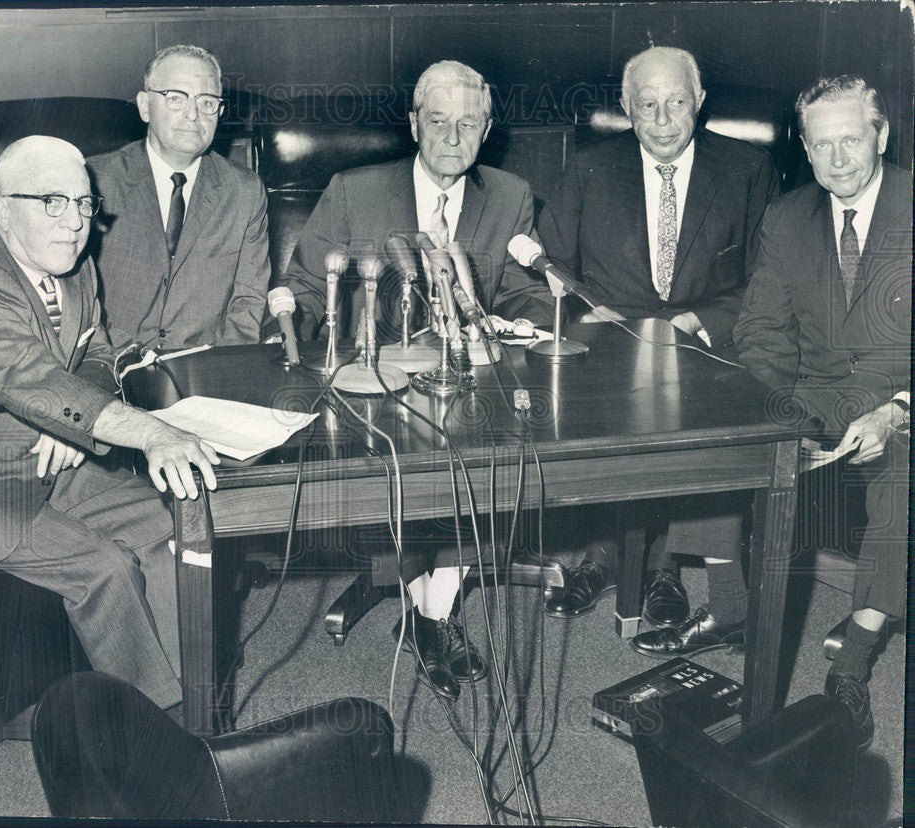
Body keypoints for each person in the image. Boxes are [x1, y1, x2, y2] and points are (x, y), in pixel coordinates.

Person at [0, 136, 221, 712]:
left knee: (165, 526)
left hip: (42, 466)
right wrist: (152, 433)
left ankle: (197, 708)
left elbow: (100, 357)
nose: (75, 222)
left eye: (83, 204)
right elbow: (36, 381)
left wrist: (66, 425)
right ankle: (150, 727)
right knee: (103, 567)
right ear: (3, 209)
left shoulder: (75, 270)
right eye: (51, 202)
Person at [280, 60, 555, 700]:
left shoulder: (510, 195)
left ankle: (434, 605)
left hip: (466, 382)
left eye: (468, 124)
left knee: (492, 449)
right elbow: (302, 288)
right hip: (374, 389)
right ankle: (425, 605)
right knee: (406, 462)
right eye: (438, 122)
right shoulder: (353, 189)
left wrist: (523, 323)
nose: (452, 139)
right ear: (413, 124)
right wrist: (302, 333)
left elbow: (527, 294)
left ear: (486, 130)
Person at [537, 46, 779, 641]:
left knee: (705, 419)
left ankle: (664, 569)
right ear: (626, 108)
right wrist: (586, 313)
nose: (664, 119)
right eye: (648, 105)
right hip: (608, 340)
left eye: (677, 102)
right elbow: (549, 267)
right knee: (596, 411)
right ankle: (603, 558)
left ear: (699, 101)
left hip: (703, 340)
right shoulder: (589, 168)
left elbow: (768, 277)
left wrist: (697, 320)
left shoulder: (748, 170)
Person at [734, 76, 910, 750]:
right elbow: (764, 337)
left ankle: (854, 660)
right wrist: (777, 426)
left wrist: (892, 413)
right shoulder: (786, 218)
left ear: (882, 136)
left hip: (901, 402)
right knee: (759, 469)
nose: (838, 160)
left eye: (852, 140)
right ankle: (758, 653)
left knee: (902, 481)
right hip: (813, 397)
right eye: (822, 145)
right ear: (804, 150)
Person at [88, 44, 271, 351]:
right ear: (146, 106)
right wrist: (115, 364)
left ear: (220, 112)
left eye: (207, 102)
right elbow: (75, 297)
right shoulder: (93, 182)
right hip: (109, 367)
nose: (193, 114)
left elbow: (247, 305)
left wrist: (218, 378)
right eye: (176, 98)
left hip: (205, 373)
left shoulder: (245, 192)